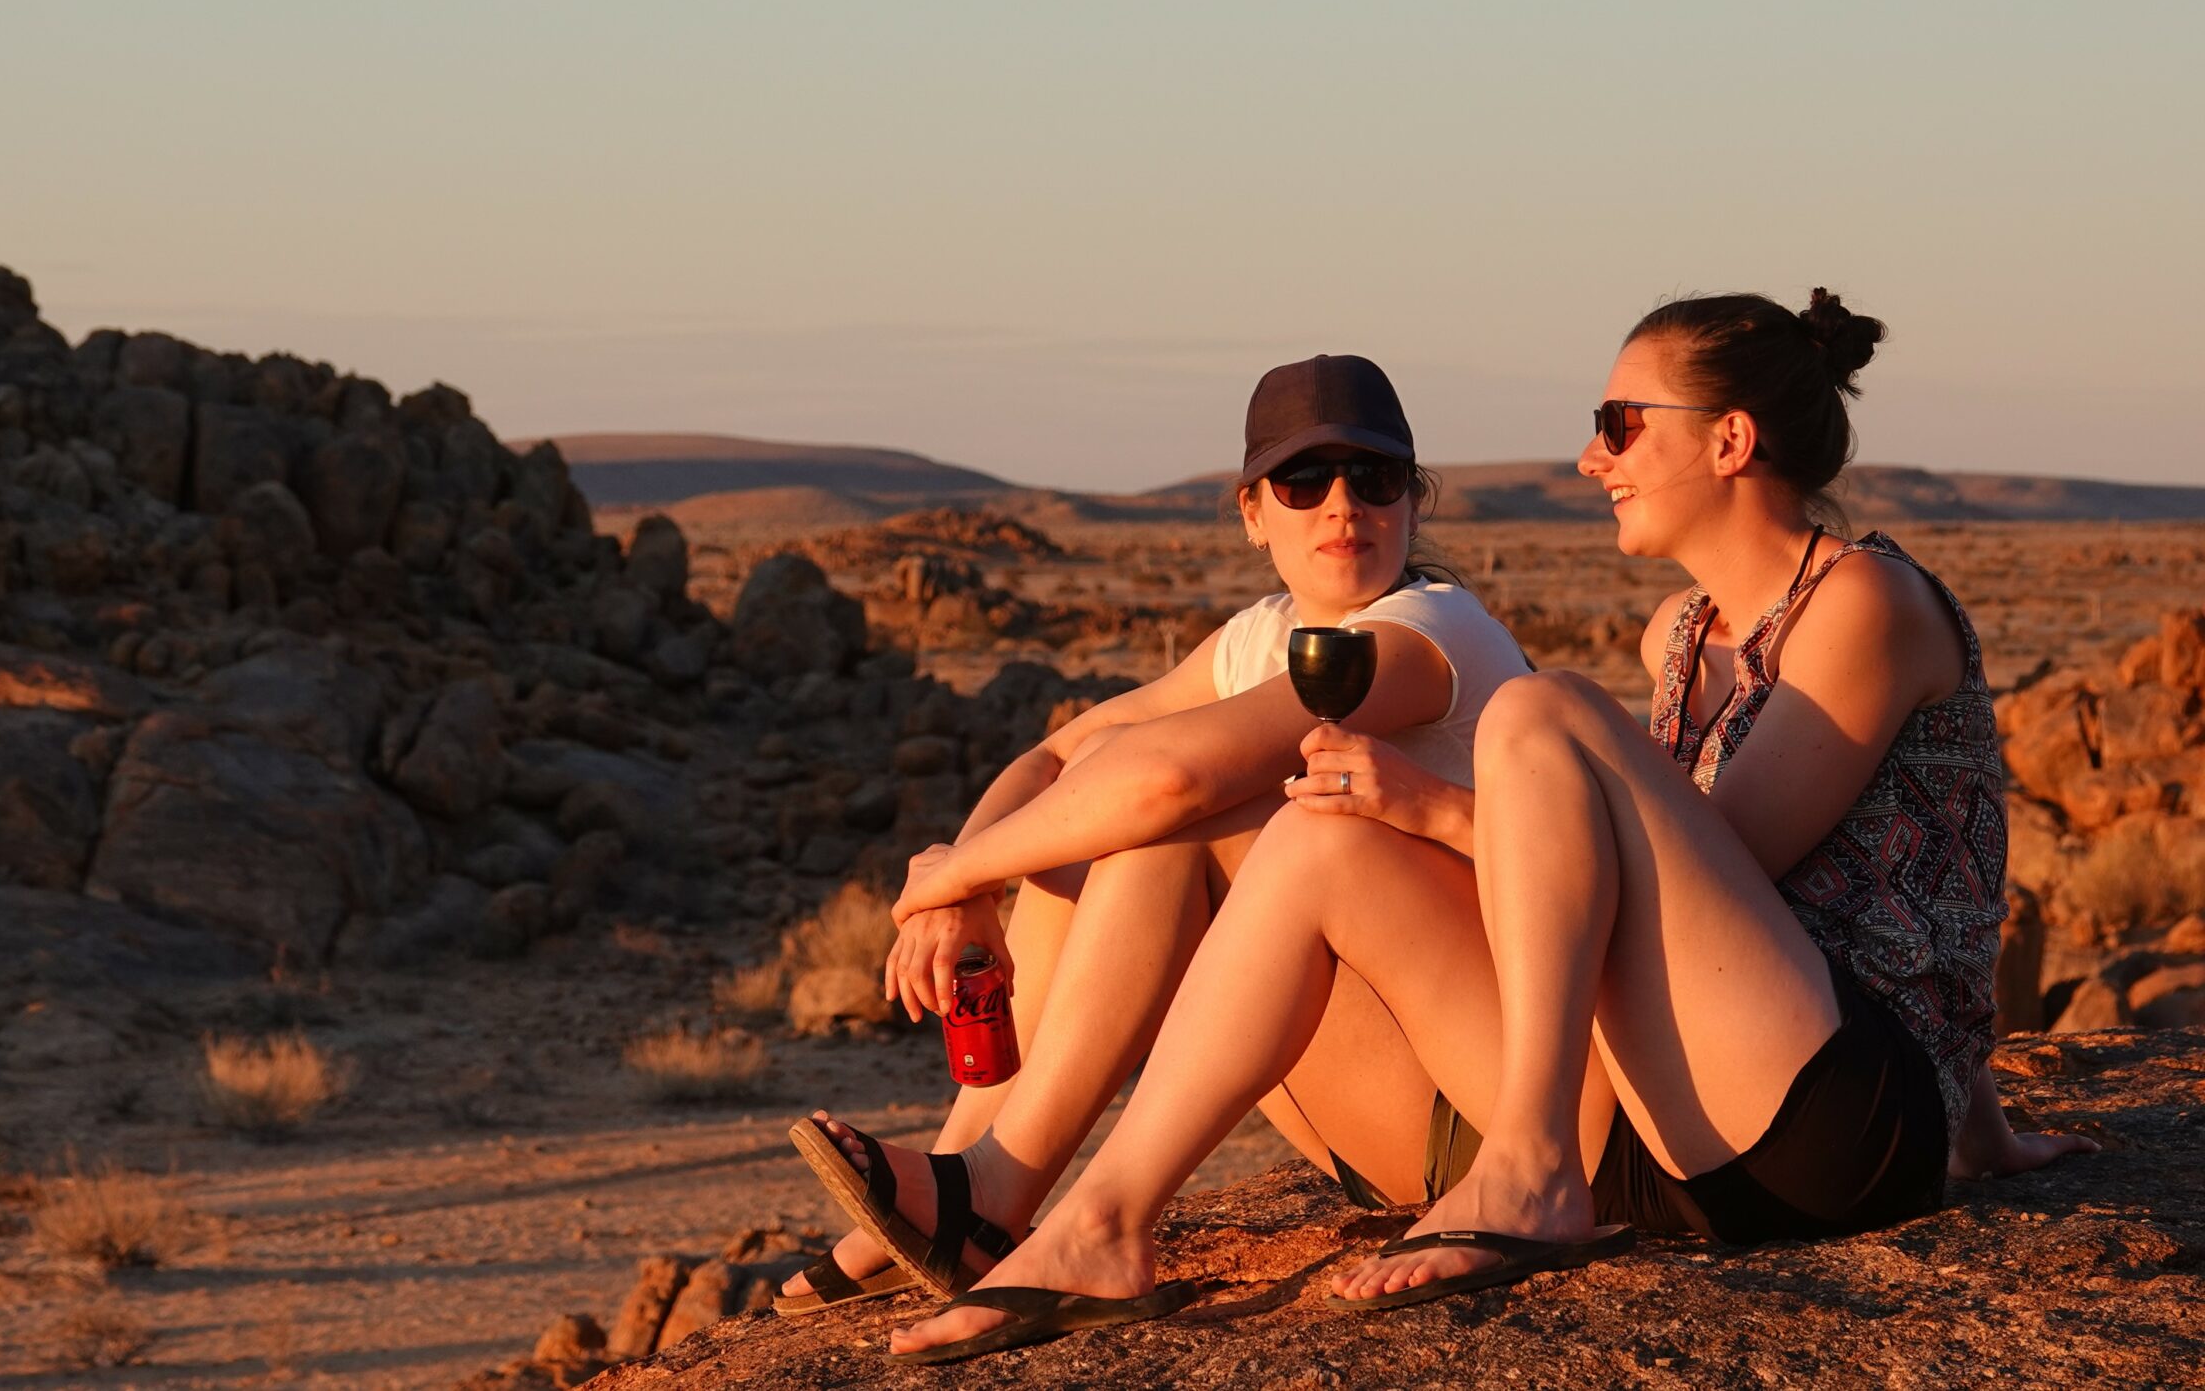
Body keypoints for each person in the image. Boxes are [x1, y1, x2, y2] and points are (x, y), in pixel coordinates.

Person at [885, 289, 2093, 1363]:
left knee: (1540, 710)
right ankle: (1101, 1221)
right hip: (1675, 1122)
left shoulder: (1864, 601)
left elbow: (1747, 889)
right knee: (1320, 834)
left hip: (1829, 1120)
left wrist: (1445, 808)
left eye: (1619, 422)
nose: (1587, 456)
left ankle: (1525, 1166)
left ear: (1728, 439)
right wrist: (1985, 1122)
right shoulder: (1677, 633)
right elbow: (1784, 905)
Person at [775, 353, 1531, 1317]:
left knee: (1172, 827)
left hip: (1474, 1113)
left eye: (1374, 480)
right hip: (1372, 1101)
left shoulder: (1430, 636)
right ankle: (963, 1177)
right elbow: (1060, 761)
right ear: (1254, 512)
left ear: (1414, 506)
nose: (1342, 506)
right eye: (1305, 482)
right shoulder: (1258, 638)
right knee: (1089, 820)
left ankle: (991, 1196)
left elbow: (1173, 779)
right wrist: (966, 887)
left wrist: (946, 875)